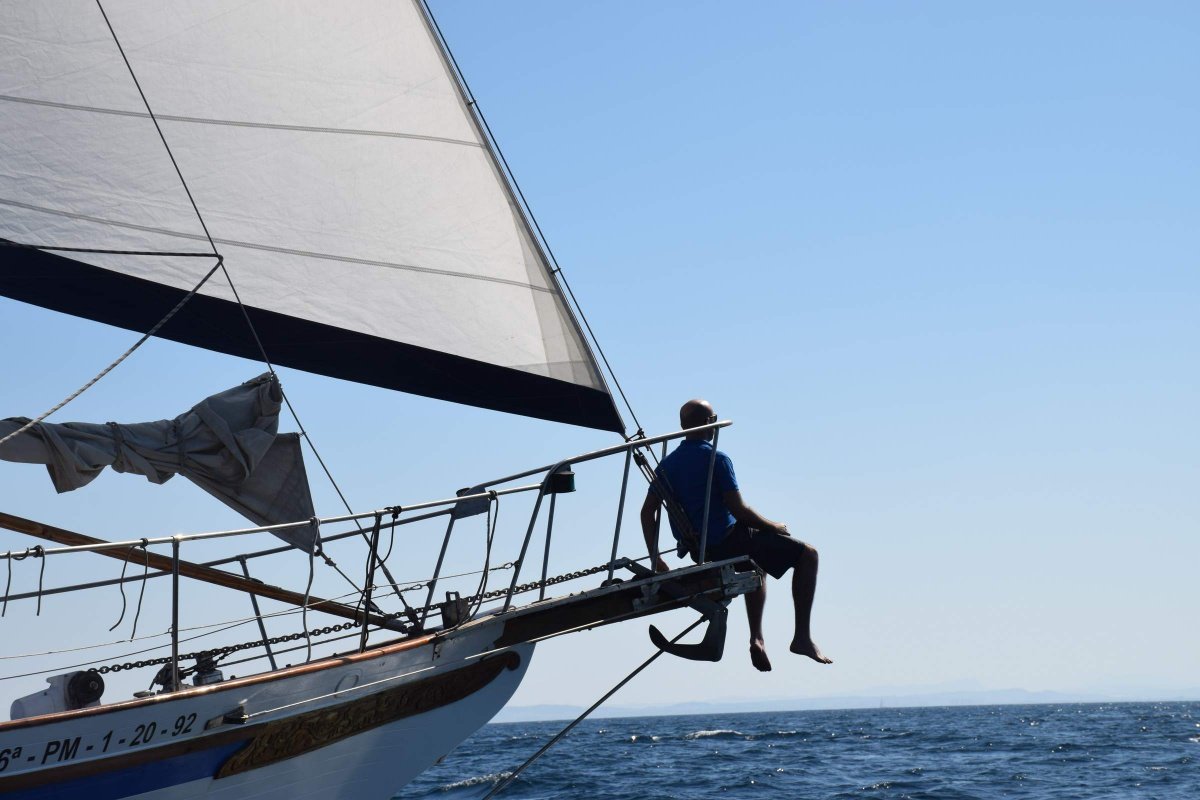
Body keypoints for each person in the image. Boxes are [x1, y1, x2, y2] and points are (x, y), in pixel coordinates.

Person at [640, 399, 831, 672]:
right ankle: (801, 637)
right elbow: (739, 509)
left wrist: (656, 558)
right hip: (729, 540)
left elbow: (647, 513)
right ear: (709, 424)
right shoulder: (717, 457)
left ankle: (758, 638)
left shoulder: (667, 465)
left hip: (701, 549)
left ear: (683, 426)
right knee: (808, 555)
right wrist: (773, 526)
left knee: (756, 565)